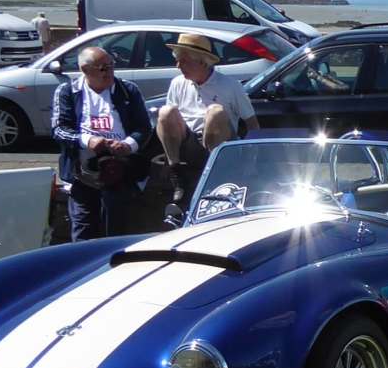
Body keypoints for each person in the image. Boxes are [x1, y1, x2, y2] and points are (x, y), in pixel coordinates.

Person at [156, 31, 257, 226]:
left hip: (220, 145)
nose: (178, 66)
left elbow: (252, 123)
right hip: (187, 143)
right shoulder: (177, 83)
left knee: (215, 112)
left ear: (203, 62)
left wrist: (251, 159)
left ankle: (214, 175)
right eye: (177, 60)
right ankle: (176, 173)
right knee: (166, 111)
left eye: (184, 61)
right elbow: (169, 122)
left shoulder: (230, 86)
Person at [52, 45, 150, 241]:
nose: (109, 72)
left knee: (115, 224)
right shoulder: (68, 91)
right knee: (82, 228)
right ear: (85, 70)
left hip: (119, 169)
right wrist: (88, 140)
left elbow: (144, 128)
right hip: (81, 171)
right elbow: (59, 130)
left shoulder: (128, 90)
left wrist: (128, 145)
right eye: (103, 68)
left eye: (112, 66)